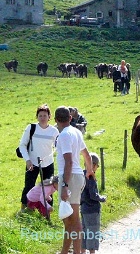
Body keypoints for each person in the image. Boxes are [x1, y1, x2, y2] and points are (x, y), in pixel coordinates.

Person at [54, 106, 94, 254]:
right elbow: (87, 155)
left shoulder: (64, 135)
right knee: (68, 219)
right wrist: (89, 171)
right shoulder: (76, 132)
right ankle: (65, 251)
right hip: (78, 177)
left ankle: (77, 252)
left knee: (74, 219)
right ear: (70, 118)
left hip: (69, 177)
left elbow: (68, 161)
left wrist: (64, 185)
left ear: (56, 120)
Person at [18, 104, 59, 214]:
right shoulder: (31, 128)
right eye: (40, 115)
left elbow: (58, 146)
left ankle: (47, 211)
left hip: (48, 163)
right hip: (32, 163)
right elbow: (22, 145)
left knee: (49, 188)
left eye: (45, 115)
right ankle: (25, 208)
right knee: (29, 185)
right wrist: (27, 160)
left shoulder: (54, 131)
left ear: (49, 117)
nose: (42, 118)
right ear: (37, 117)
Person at [81, 153, 107, 254]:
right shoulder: (91, 177)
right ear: (94, 165)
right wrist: (102, 198)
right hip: (92, 209)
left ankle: (82, 251)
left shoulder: (81, 175)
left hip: (83, 208)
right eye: (97, 166)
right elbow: (93, 195)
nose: (97, 168)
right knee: (93, 232)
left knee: (84, 231)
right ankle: (92, 252)